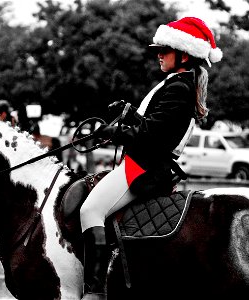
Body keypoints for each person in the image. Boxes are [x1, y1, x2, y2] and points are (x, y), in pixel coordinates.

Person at [79, 17, 222, 300]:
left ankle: (95, 291)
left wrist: (116, 131)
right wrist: (131, 114)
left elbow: (151, 135)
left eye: (164, 51)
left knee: (90, 211)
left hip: (144, 166)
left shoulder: (179, 88)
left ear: (184, 55)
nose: (158, 55)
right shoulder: (178, 83)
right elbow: (155, 123)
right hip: (147, 162)